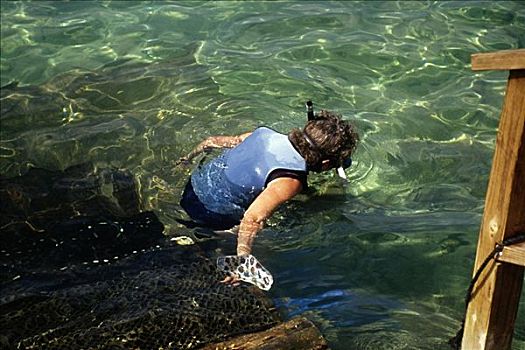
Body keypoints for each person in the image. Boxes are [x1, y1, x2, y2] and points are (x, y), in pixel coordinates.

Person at [177, 102, 359, 286]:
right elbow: (252, 219)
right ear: (326, 164)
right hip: (208, 216)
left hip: (191, 190)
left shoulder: (263, 134)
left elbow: (211, 141)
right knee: (271, 247)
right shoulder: (290, 180)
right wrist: (243, 260)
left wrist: (187, 159)